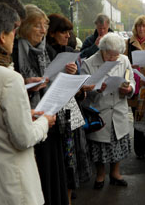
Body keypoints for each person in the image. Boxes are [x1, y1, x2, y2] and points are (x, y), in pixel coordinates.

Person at [0, 3, 56, 205]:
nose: (16, 35)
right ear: (1, 37)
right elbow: (23, 138)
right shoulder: (8, 77)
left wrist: (25, 113)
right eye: (13, 31)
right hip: (10, 181)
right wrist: (44, 122)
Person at [12, 4, 72, 205]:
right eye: (37, 25)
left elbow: (57, 79)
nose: (43, 30)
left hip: (50, 120)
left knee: (52, 174)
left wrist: (67, 75)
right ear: (25, 27)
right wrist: (25, 85)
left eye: (44, 25)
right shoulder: (14, 51)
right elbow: (10, 87)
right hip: (28, 121)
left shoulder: (48, 50)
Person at [46, 13, 92, 204]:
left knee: (73, 160)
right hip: (55, 116)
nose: (67, 35)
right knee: (63, 163)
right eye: (63, 32)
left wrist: (79, 85)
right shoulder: (45, 53)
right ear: (52, 33)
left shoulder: (70, 51)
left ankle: (70, 193)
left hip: (72, 113)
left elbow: (78, 90)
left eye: (69, 32)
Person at [81, 33, 135, 189]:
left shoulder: (124, 60)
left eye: (116, 55)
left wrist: (129, 88)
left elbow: (130, 78)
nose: (114, 58)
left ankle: (115, 173)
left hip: (118, 108)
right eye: (110, 55)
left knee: (118, 143)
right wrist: (96, 90)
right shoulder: (89, 64)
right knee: (99, 146)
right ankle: (100, 175)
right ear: (102, 50)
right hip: (100, 110)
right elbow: (83, 92)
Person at [124, 15, 145, 160]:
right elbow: (124, 63)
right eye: (139, 26)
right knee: (138, 118)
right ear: (136, 28)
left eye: (144, 26)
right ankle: (139, 150)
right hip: (136, 87)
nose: (141, 29)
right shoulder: (128, 42)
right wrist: (130, 67)